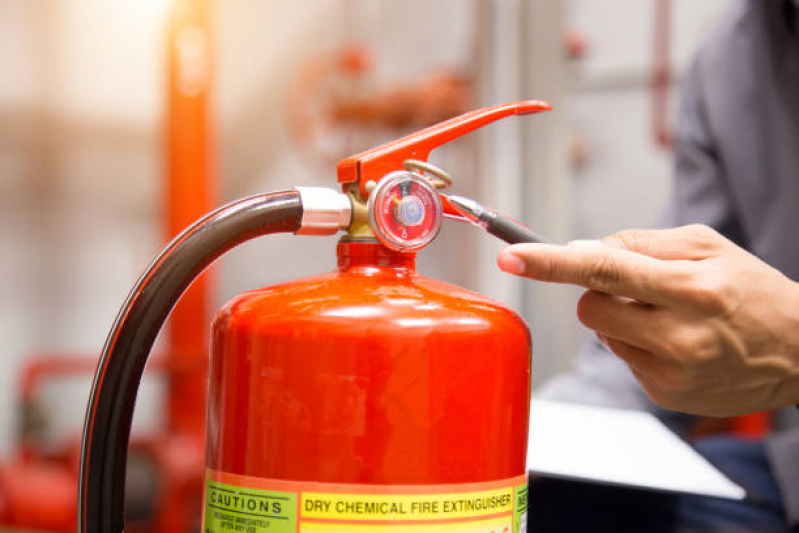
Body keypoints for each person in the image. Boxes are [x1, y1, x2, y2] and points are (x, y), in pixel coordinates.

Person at [499, 0, 799, 531]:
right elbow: (672, 324)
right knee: (548, 508)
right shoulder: (731, 56)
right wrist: (506, 436)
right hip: (787, 476)